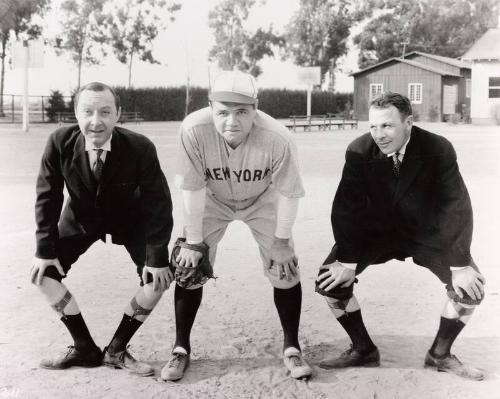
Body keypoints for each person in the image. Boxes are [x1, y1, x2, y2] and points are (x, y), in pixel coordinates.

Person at [316, 91, 486, 380]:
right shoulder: (358, 151)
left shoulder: (438, 148)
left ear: (408, 122)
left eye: (387, 126)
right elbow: (346, 207)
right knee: (329, 282)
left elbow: (456, 205)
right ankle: (363, 349)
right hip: (376, 233)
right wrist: (345, 260)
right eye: (373, 126)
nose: (379, 135)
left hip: (426, 233)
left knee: (471, 289)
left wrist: (459, 265)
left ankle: (440, 354)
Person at [160, 70, 312, 381]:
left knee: (285, 269)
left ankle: (292, 348)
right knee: (190, 267)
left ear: (256, 109)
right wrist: (194, 240)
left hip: (263, 199)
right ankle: (180, 349)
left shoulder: (278, 136)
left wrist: (281, 242)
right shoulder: (194, 129)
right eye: (223, 112)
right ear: (210, 108)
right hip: (212, 199)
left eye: (242, 111)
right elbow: (192, 187)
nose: (232, 121)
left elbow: (288, 192)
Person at [31, 82, 174, 376]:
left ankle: (117, 349)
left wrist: (156, 255)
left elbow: (158, 204)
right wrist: (44, 250)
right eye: (88, 112)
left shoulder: (140, 147)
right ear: (76, 113)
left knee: (158, 279)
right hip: (81, 217)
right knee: (43, 274)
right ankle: (84, 347)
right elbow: (48, 196)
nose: (96, 121)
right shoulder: (59, 142)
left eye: (105, 112)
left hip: (129, 219)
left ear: (118, 114)